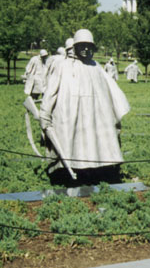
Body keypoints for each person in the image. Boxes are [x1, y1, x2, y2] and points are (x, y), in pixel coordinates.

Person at [40, 29, 130, 185]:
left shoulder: (95, 66)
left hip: (95, 114)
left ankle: (97, 171)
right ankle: (70, 175)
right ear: (75, 46)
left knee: (95, 143)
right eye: (82, 45)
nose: (86, 49)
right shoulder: (63, 66)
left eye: (89, 46)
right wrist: (45, 112)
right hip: (70, 113)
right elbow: (51, 91)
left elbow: (110, 90)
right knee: (72, 143)